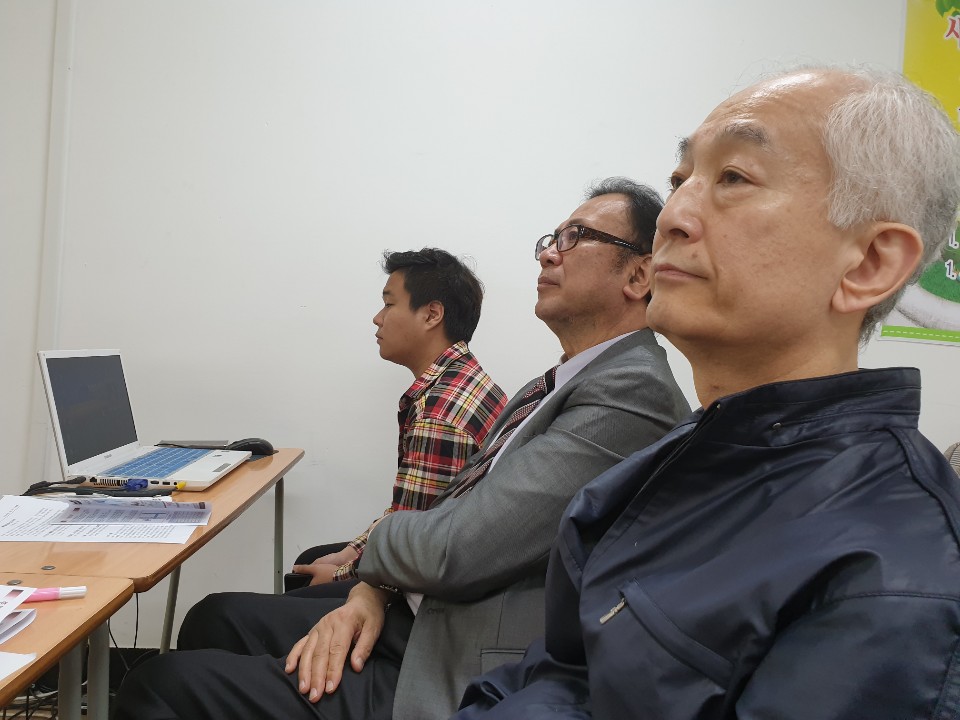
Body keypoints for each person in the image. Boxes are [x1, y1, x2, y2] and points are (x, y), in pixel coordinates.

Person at [453, 67, 960, 719]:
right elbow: (556, 672)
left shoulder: (896, 572)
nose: (672, 217)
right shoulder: (652, 474)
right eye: (679, 180)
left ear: (868, 264)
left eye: (734, 178)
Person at [111, 177, 691, 720]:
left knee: (158, 683)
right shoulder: (554, 382)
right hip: (423, 603)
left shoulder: (627, 390)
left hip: (460, 644)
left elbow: (454, 542)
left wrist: (368, 568)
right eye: (551, 239)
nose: (548, 255)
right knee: (216, 618)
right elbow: (452, 510)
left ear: (639, 275)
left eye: (576, 237)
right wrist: (373, 585)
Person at [288, 248, 508, 590]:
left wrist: (341, 575)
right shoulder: (465, 377)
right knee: (313, 559)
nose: (377, 318)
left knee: (223, 610)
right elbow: (408, 512)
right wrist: (350, 553)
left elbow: (414, 541)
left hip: (428, 592)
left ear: (432, 314)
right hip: (439, 553)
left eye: (389, 304)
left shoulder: (439, 413)